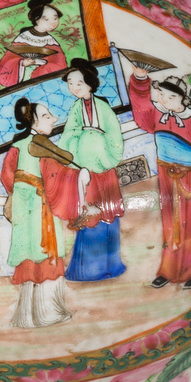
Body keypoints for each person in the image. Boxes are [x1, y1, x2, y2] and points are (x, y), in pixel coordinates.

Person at [128, 67, 191, 288]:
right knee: (172, 222)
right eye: (161, 95)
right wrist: (140, 80)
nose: (164, 100)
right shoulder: (157, 115)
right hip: (167, 176)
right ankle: (170, 270)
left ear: (183, 99)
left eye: (171, 96)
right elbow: (141, 110)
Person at [0, 98, 88, 327]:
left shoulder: (17, 147)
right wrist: (79, 176)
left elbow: (7, 175)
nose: (54, 119)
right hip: (40, 207)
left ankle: (26, 316)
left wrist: (20, 193)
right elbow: (58, 174)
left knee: (28, 254)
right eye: (47, 116)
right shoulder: (40, 146)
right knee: (45, 252)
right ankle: (47, 313)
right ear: (34, 122)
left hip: (23, 206)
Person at [60, 59, 126, 280]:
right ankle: (88, 269)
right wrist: (79, 157)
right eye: (70, 84)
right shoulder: (75, 109)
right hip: (85, 172)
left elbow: (114, 135)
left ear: (90, 83)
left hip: (104, 170)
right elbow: (67, 136)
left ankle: (111, 265)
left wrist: (105, 156)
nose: (74, 88)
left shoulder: (103, 107)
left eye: (78, 83)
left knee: (107, 212)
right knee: (89, 214)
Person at [0, 0, 67, 88]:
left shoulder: (51, 41)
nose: (53, 23)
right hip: (21, 78)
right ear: (36, 19)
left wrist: (43, 68)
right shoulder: (23, 38)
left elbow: (60, 65)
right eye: (46, 19)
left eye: (55, 18)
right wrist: (22, 63)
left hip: (42, 79)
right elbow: (7, 61)